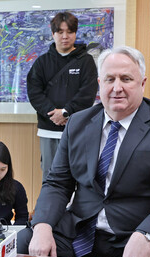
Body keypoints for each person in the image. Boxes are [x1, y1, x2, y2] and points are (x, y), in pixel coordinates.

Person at [18, 46, 150, 257]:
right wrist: (42, 225)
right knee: (27, 241)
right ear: (99, 84)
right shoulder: (77, 123)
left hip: (136, 231)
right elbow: (57, 183)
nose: (117, 88)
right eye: (110, 79)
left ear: (142, 83)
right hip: (81, 230)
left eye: (126, 79)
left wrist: (148, 234)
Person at [27, 12, 98, 181]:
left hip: (78, 130)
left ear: (75, 33)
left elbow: (88, 93)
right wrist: (54, 114)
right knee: (50, 176)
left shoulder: (86, 61)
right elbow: (34, 92)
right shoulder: (42, 62)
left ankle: (76, 209)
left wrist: (66, 112)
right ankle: (50, 209)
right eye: (60, 32)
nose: (65, 36)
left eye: (70, 32)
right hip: (48, 130)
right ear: (53, 34)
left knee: (79, 177)